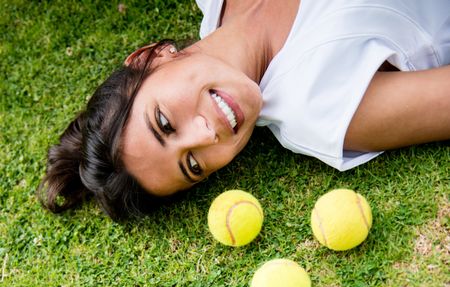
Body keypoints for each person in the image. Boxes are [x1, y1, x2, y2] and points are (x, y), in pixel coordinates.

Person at [40, 0, 450, 221]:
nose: (205, 135)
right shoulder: (319, 107)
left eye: (165, 123)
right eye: (194, 165)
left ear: (150, 58)